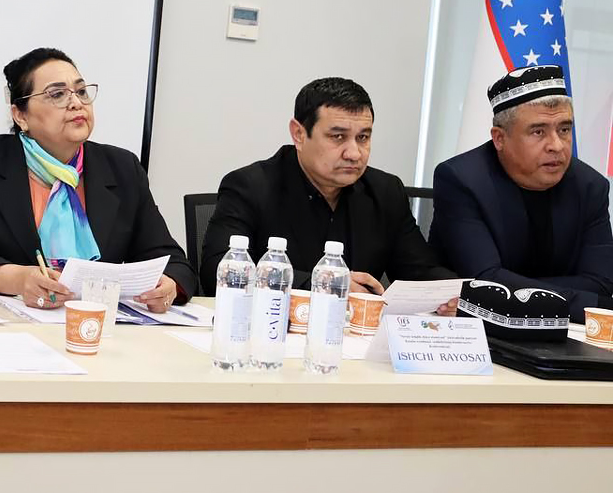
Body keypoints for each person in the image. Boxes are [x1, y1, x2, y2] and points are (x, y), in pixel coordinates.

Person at [0, 47, 196, 312]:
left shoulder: (122, 168)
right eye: (57, 94)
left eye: (81, 91)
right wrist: (19, 279)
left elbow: (173, 261)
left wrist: (168, 285)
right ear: (21, 115)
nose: (76, 103)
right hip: (12, 321)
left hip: (95, 323)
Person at [200, 77, 453, 296]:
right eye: (338, 137)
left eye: (363, 137)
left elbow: (421, 272)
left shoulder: (385, 191)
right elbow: (218, 272)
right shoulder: (250, 186)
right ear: (299, 134)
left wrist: (452, 295)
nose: (354, 153)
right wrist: (326, 284)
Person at [431, 65, 613, 324]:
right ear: (499, 139)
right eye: (538, 132)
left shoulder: (590, 186)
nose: (556, 145)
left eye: (564, 129)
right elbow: (486, 280)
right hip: (468, 330)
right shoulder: (462, 180)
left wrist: (511, 289)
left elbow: (601, 285)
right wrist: (579, 299)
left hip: (561, 331)